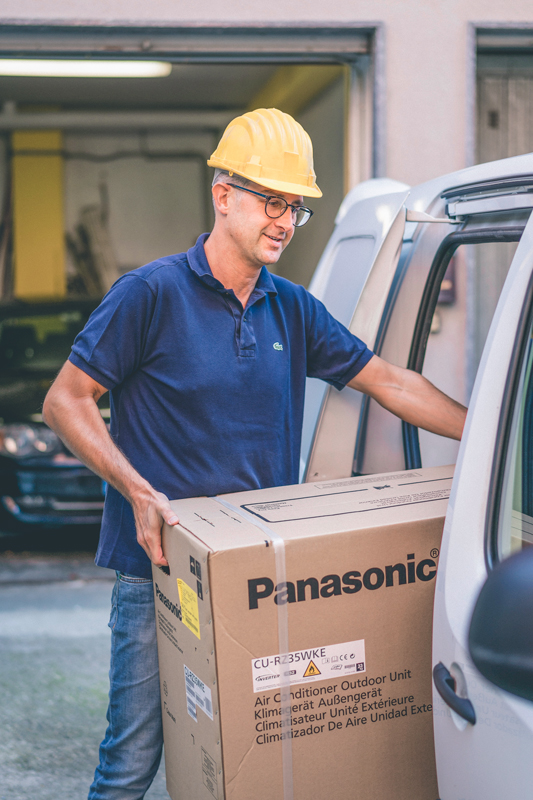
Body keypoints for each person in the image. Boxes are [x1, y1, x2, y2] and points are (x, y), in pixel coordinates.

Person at [43, 107, 466, 800]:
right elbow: (66, 400)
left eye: (294, 208)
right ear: (222, 194)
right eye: (271, 200)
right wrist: (138, 490)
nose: (282, 220)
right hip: (160, 576)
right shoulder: (150, 294)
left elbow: (388, 381)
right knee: (131, 762)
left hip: (257, 580)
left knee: (254, 764)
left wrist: (488, 437)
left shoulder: (290, 308)